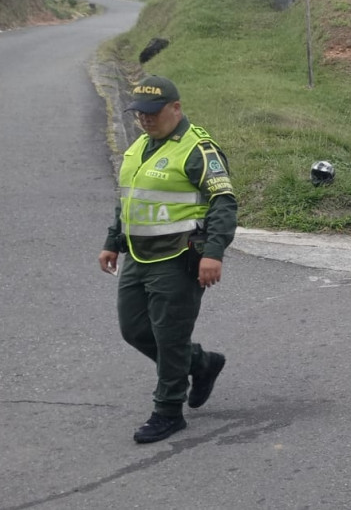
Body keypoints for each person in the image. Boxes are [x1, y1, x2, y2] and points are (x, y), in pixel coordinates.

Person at [97, 75, 237, 444]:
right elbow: (128, 199)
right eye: (139, 114)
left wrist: (214, 252)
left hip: (179, 257)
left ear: (176, 108)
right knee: (134, 329)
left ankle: (168, 411)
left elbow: (224, 203)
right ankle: (201, 364)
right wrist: (112, 241)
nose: (145, 120)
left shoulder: (197, 149)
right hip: (138, 256)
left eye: (153, 113)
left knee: (170, 335)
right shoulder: (139, 147)